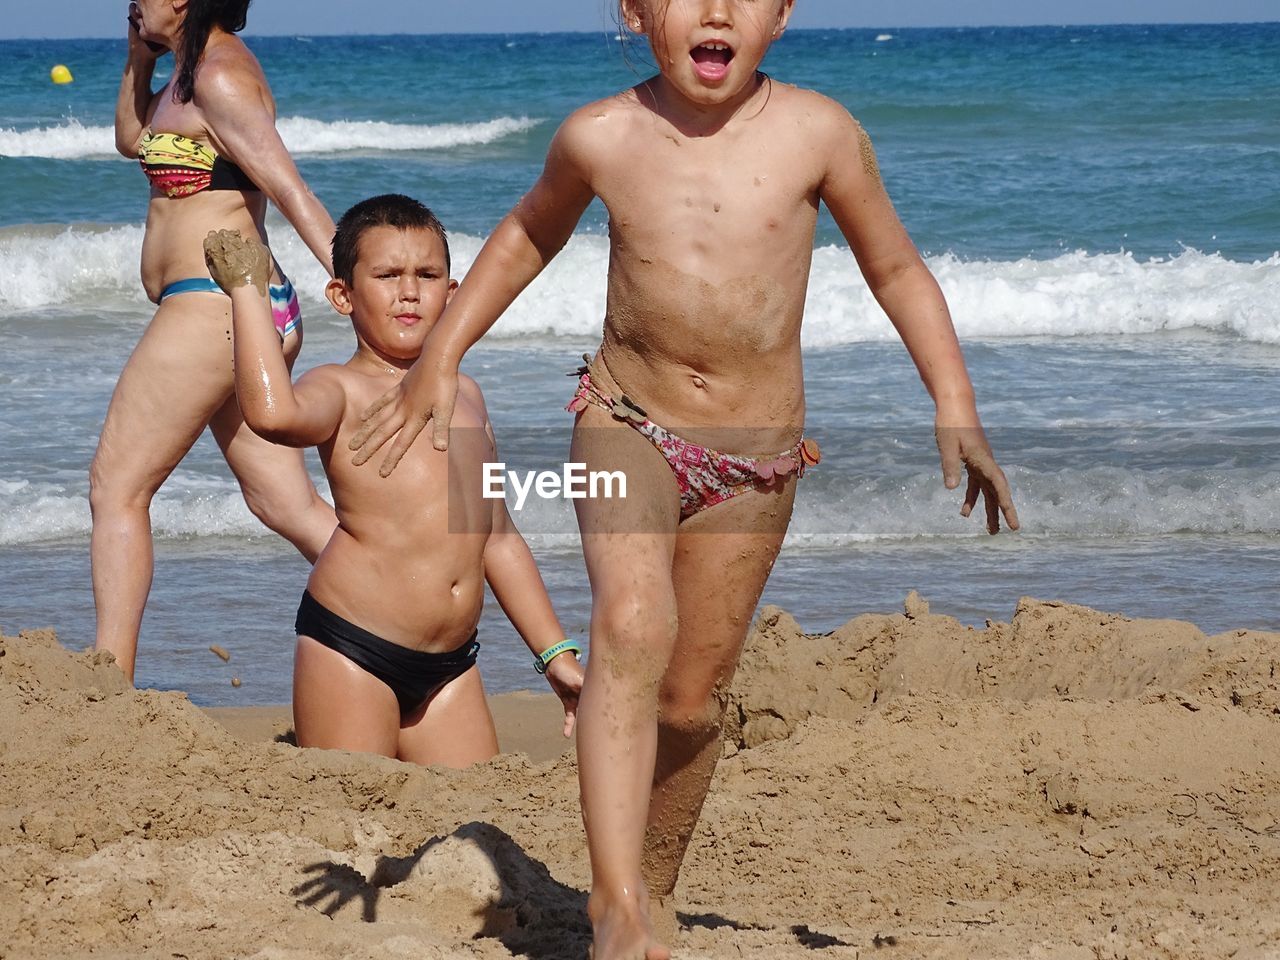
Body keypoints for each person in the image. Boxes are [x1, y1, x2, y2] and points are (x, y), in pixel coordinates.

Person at [348, 1, 1019, 956]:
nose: (715, 11)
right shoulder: (602, 135)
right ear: (635, 12)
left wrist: (955, 403)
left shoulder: (819, 134)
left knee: (692, 701)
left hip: (757, 455)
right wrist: (441, 355)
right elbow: (525, 237)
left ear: (781, 15)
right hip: (627, 421)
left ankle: (652, 887)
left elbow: (897, 269)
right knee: (632, 625)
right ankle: (614, 901)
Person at [202, 195, 585, 765]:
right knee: (356, 820)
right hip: (353, 647)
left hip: (452, 665)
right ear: (343, 296)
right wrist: (247, 292)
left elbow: (498, 538)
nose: (410, 291)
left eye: (427, 275)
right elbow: (272, 415)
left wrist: (555, 654)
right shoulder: (341, 388)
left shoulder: (468, 398)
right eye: (386, 276)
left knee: (469, 820)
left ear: (453, 295)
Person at [91, 0, 338, 683]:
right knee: (284, 505)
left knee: (116, 487)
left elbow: (288, 189)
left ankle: (106, 688)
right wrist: (139, 58)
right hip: (236, 306)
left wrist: (354, 283)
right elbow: (129, 138)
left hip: (216, 308)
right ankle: (399, 607)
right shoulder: (184, 75)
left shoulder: (221, 77)